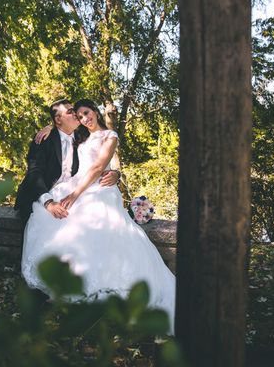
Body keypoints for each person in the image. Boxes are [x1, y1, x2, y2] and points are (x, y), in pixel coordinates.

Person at [21, 99, 176, 334]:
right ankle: (63, 281)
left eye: (85, 113)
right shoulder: (75, 136)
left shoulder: (107, 135)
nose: (82, 118)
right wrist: (49, 128)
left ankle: (97, 288)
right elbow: (47, 161)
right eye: (77, 114)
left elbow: (97, 167)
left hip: (92, 189)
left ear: (95, 111)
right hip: (70, 187)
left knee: (94, 219)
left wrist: (113, 173)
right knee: (57, 221)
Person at [14, 99, 120, 226]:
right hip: (40, 195)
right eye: (71, 112)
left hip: (73, 190)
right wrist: (49, 203)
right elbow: (34, 174)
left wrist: (116, 174)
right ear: (58, 119)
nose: (77, 115)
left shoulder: (81, 136)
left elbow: (98, 160)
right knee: (43, 222)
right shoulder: (44, 139)